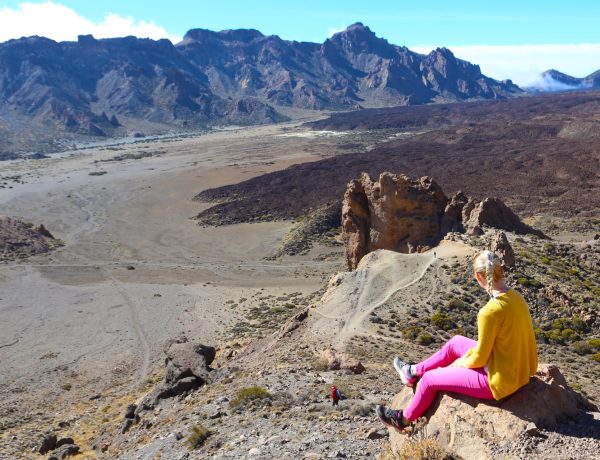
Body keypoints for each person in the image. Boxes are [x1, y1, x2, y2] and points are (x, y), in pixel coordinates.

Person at [376, 250, 538, 431]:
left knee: (429, 380)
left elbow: (480, 359)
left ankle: (403, 420)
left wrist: (459, 364)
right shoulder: (517, 298)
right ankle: (412, 372)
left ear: (478, 276)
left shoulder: (489, 312)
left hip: (498, 382)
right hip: (518, 372)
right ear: (501, 269)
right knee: (456, 342)